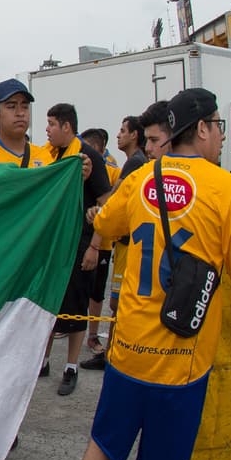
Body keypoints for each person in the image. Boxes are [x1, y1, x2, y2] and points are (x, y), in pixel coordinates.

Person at [47, 87, 231, 460]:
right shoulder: (228, 189)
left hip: (128, 351)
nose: (221, 137)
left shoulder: (144, 175)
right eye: (219, 127)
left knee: (103, 445)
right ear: (203, 129)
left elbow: (106, 222)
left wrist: (97, 215)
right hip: (182, 362)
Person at [43, 103, 112, 396]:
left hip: (81, 243)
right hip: (56, 244)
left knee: (76, 307)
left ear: (66, 127)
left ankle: (70, 367)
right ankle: (44, 360)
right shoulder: (54, 155)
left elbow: (106, 203)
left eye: (51, 124)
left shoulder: (87, 157)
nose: (47, 130)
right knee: (50, 303)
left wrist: (94, 246)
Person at [82, 116, 148, 372]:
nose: (118, 135)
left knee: (117, 302)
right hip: (126, 242)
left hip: (126, 243)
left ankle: (115, 355)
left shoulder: (134, 163)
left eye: (123, 130)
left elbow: (113, 204)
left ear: (134, 135)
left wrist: (98, 222)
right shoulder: (134, 162)